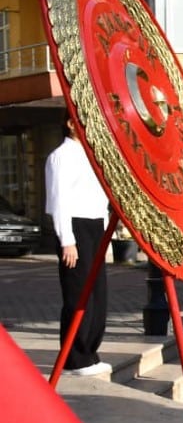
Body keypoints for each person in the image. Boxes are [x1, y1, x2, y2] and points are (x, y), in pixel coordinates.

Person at [45, 115, 111, 377]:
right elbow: (60, 201)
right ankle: (75, 358)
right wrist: (67, 240)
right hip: (75, 227)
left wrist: (105, 235)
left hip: (95, 227)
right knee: (78, 294)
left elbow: (100, 197)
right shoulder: (60, 156)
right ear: (70, 123)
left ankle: (90, 353)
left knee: (98, 294)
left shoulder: (91, 154)